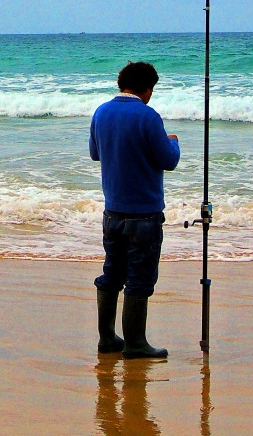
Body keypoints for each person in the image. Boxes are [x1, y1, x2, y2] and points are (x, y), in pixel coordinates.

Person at [89, 61, 180, 359]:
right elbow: (168, 160)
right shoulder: (148, 116)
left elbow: (94, 154)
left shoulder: (101, 112)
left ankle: (107, 339)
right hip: (145, 214)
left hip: (112, 212)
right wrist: (174, 143)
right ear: (147, 89)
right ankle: (136, 344)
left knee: (112, 274)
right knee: (140, 279)